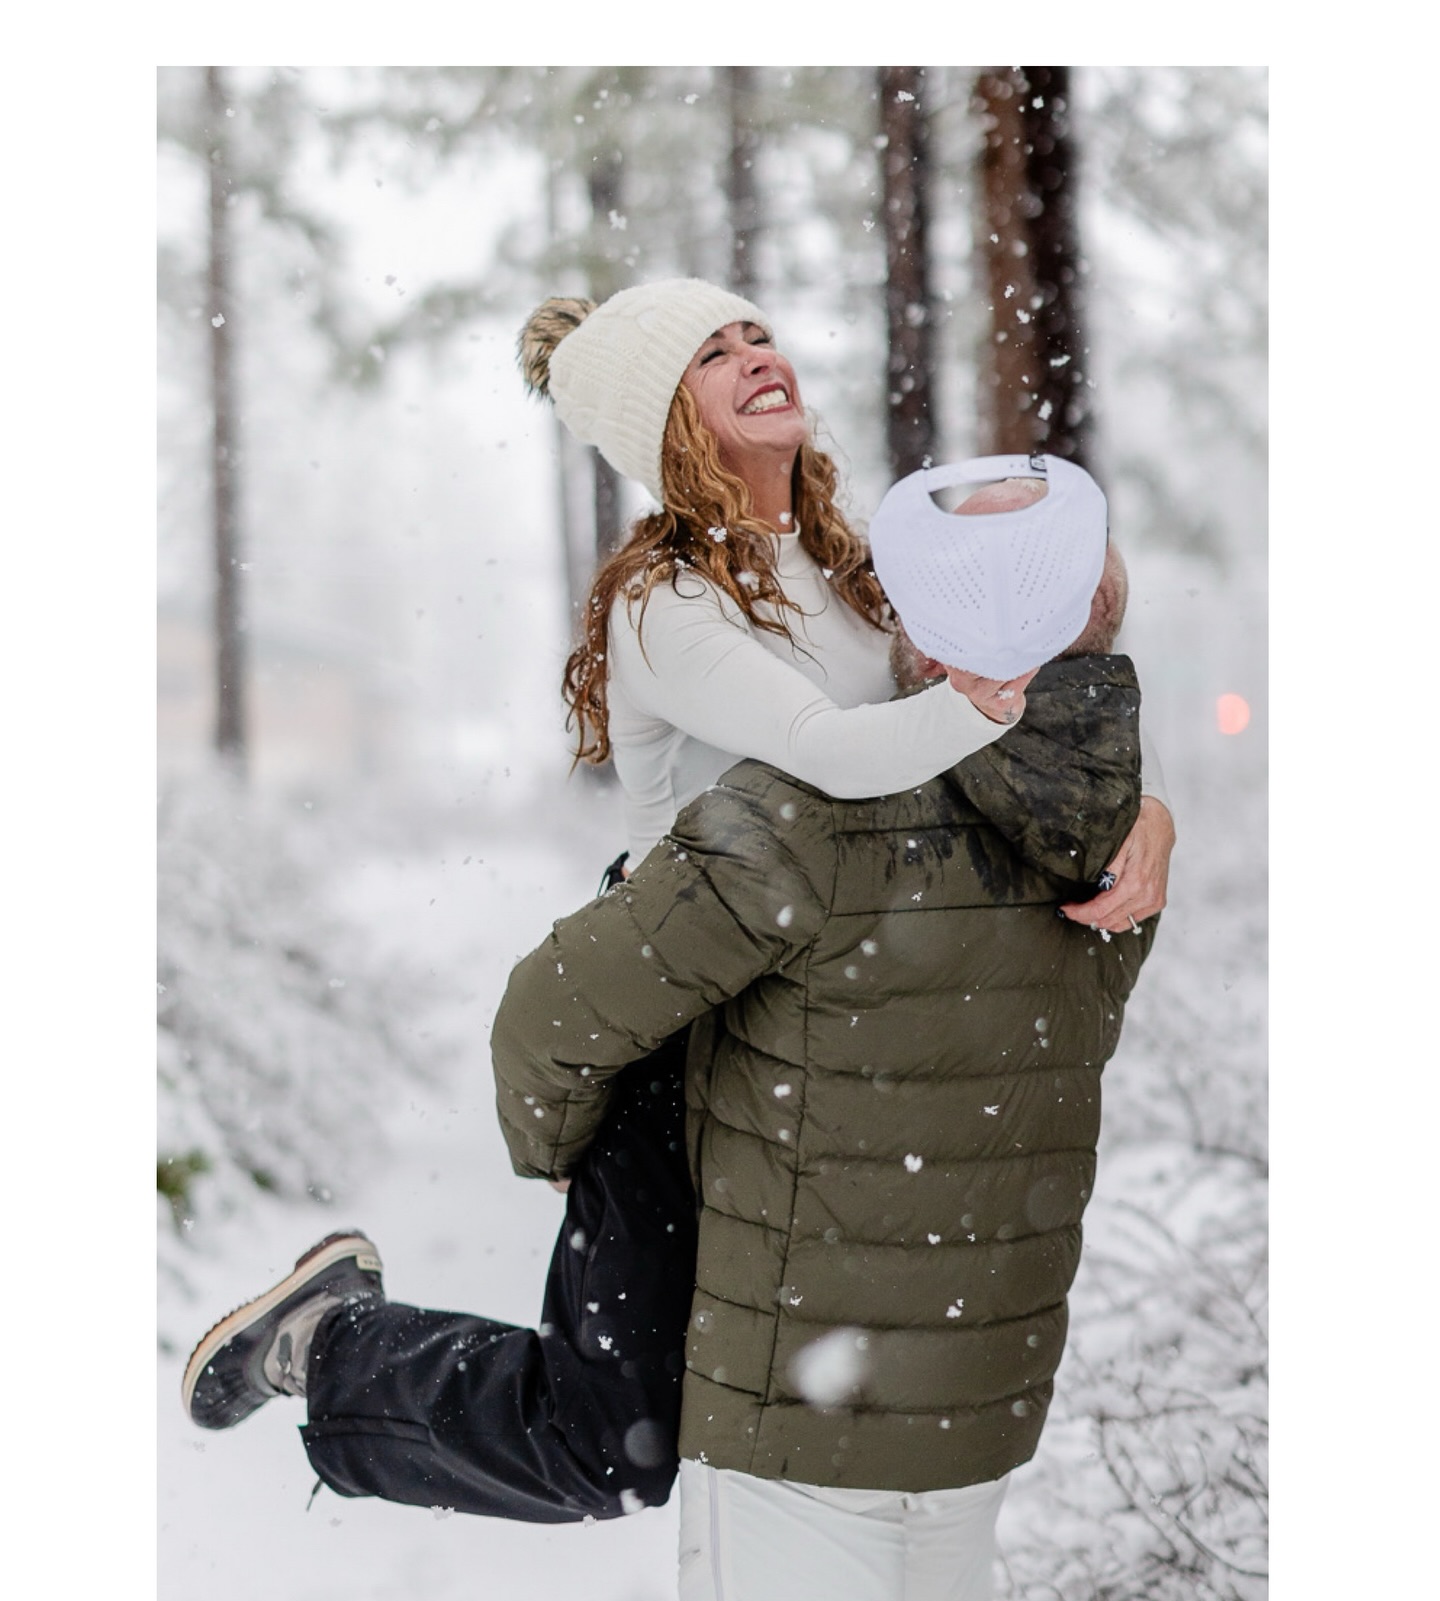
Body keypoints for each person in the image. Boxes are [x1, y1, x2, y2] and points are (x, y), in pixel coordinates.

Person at [182, 279, 1172, 1531]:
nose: (759, 354)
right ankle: (328, 1345)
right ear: (666, 421)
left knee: (788, 1389)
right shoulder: (666, 599)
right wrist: (994, 698)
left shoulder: (861, 563)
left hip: (818, 1025)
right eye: (714, 352)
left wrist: (1141, 807)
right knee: (610, 1439)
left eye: (759, 329)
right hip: (676, 1016)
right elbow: (838, 753)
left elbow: (1004, 721)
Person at [487, 479, 1156, 1601]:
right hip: (978, 1401)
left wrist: (583, 1154)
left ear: (937, 640)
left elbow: (551, 1016)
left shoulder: (801, 821)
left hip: (799, 1414)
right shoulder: (1123, 845)